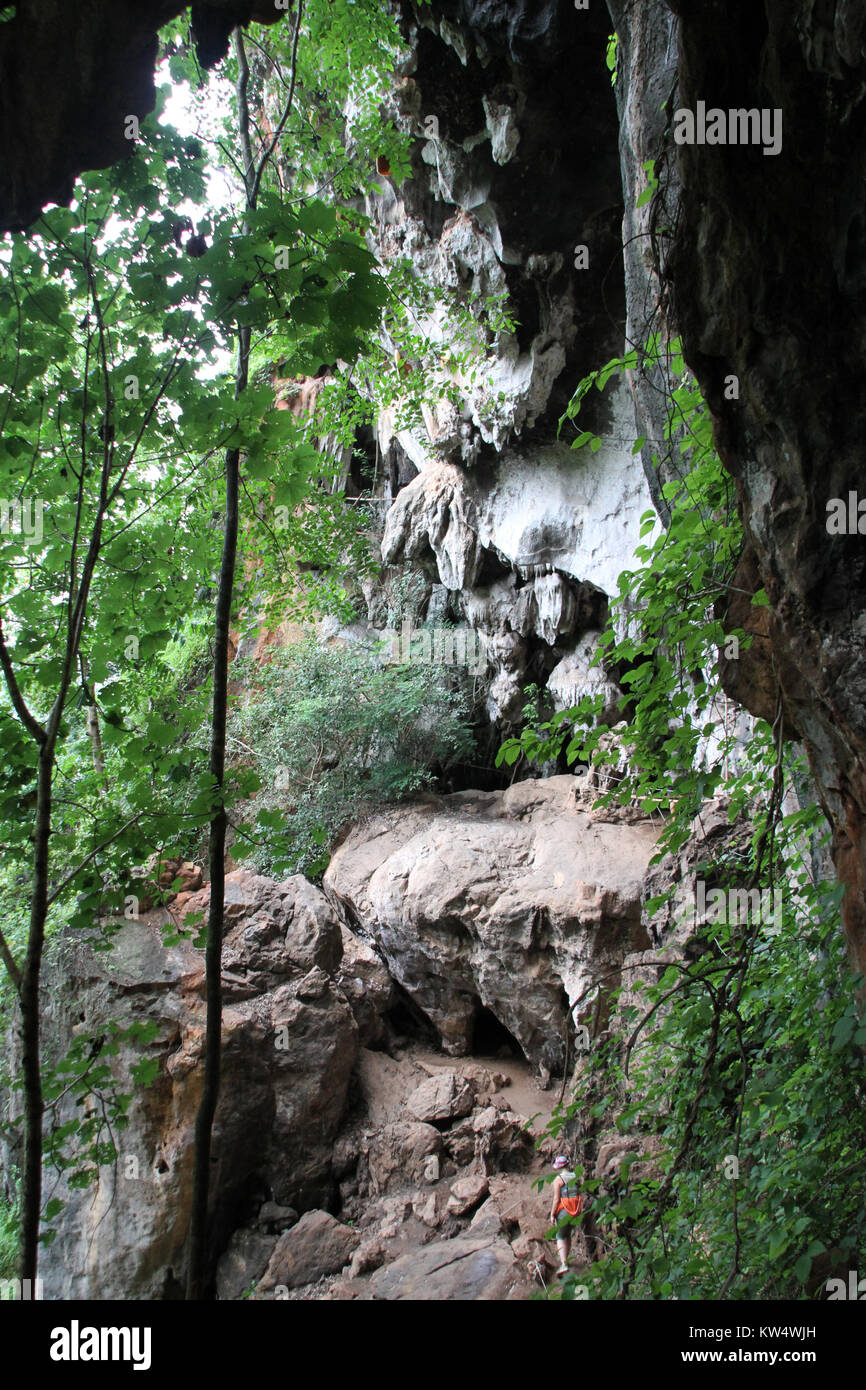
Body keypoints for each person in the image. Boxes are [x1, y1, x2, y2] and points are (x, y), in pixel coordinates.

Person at [549, 1155, 582, 1275]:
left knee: (560, 1236)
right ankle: (566, 1260)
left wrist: (552, 1214)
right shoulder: (575, 1176)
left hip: (564, 1211)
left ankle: (563, 1264)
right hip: (575, 1210)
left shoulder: (558, 1180)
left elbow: (556, 1199)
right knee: (568, 1235)